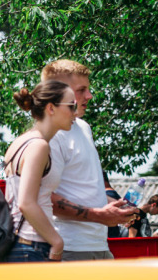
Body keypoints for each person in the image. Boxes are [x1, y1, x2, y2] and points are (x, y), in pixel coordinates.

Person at [44, 60, 139, 261]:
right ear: (58, 92)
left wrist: (116, 207)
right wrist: (99, 215)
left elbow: (83, 190)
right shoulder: (51, 135)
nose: (89, 96)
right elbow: (43, 197)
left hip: (98, 244)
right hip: (68, 247)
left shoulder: (83, 127)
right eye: (81, 90)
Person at [3, 81, 76, 263]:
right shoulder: (39, 146)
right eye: (71, 105)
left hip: (18, 242)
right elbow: (26, 203)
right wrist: (57, 242)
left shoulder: (21, 141)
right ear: (51, 108)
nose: (75, 112)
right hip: (31, 244)